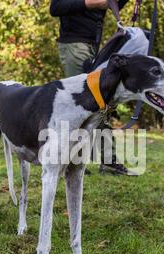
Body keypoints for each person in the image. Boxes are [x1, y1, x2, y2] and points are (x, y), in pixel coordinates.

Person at [49, 0, 130, 175]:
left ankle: (107, 159)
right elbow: (55, 8)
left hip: (93, 46)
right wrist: (92, 3)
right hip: (75, 45)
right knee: (81, 104)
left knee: (99, 101)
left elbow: (114, 3)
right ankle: (72, 160)